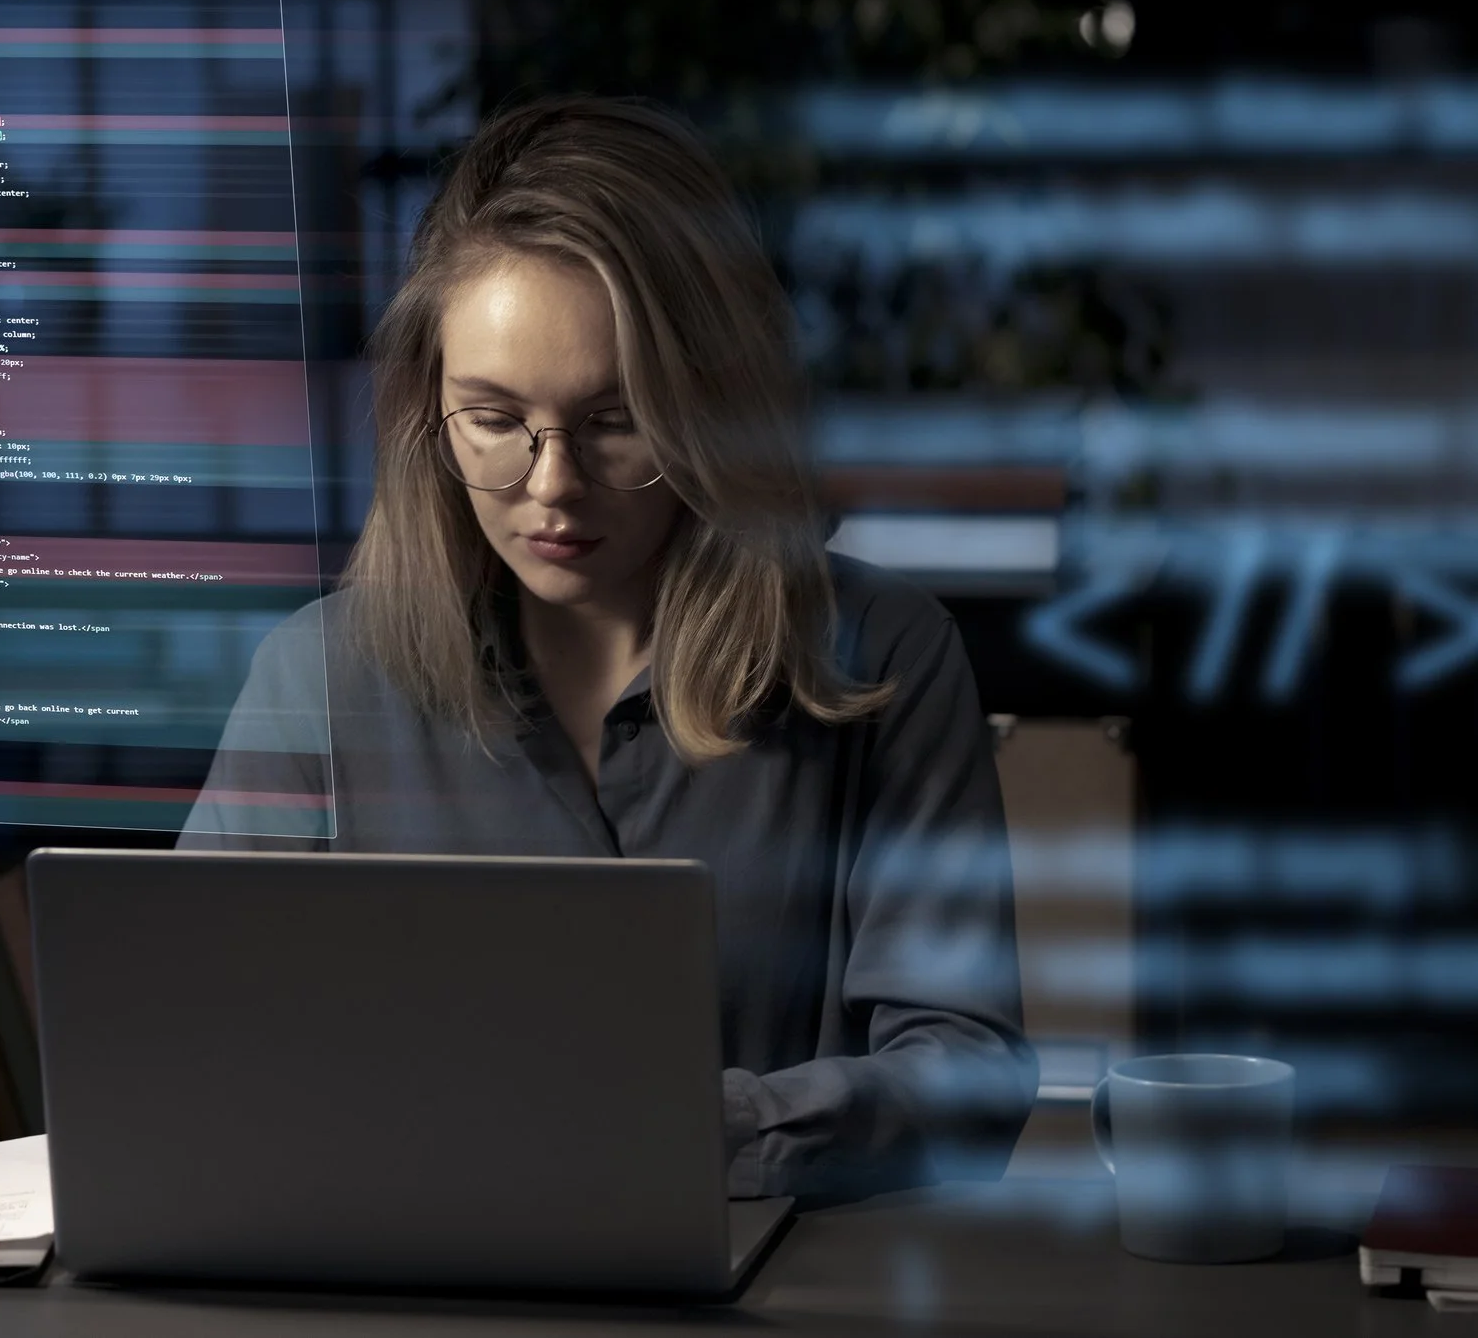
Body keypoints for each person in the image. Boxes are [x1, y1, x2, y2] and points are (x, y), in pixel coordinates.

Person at [184, 96, 1035, 1201]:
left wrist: (689, 1126)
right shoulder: (318, 678)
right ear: (423, 411)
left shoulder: (880, 654)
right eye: (491, 418)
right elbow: (192, 1056)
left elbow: (966, 1078)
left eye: (615, 419)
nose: (550, 487)